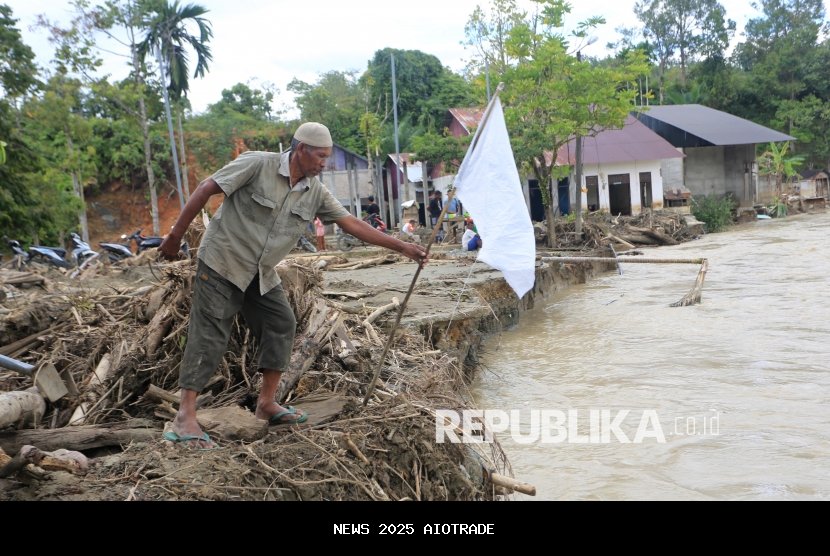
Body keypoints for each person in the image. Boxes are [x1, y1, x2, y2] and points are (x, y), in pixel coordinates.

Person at [158, 122, 427, 448]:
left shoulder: (315, 191)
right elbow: (205, 188)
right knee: (210, 335)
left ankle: (266, 403)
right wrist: (174, 238)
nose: (324, 164)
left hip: (260, 272)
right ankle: (185, 417)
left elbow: (351, 224)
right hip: (221, 262)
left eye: (327, 157)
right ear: (301, 150)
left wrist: (403, 247)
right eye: (320, 156)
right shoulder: (258, 164)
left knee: (280, 322)